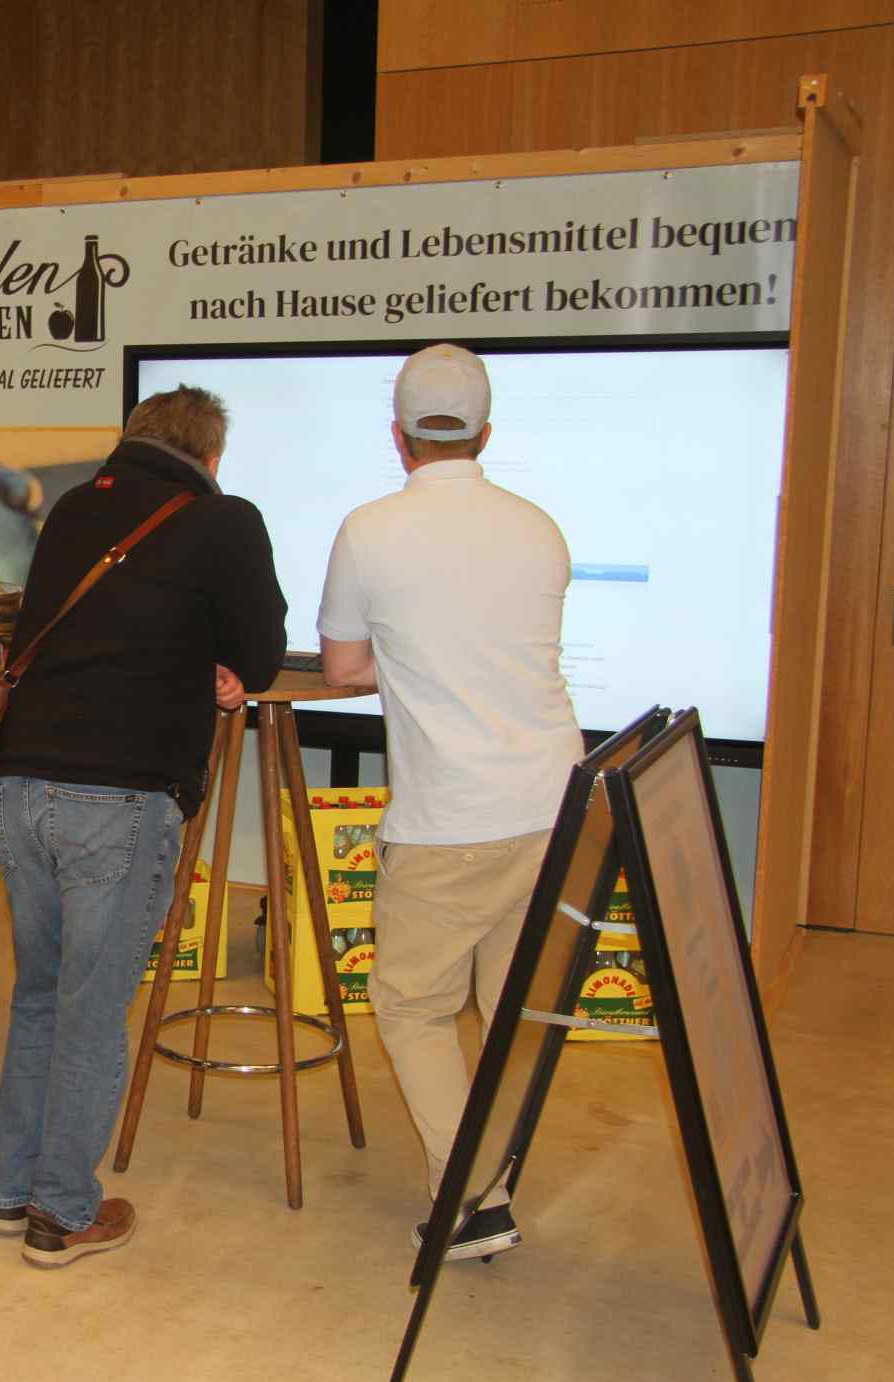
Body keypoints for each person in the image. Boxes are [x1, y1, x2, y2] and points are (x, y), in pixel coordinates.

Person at [0, 385, 287, 1267]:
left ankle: (12, 1192)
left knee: (41, 993)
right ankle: (62, 1214)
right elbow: (261, 654)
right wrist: (223, 667)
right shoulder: (226, 520)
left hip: (19, 785)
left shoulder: (75, 507)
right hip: (117, 796)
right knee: (93, 1007)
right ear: (212, 456)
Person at [317, 343, 581, 1263]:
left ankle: (472, 1195)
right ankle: (482, 1184)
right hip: (554, 803)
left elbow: (343, 668)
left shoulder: (369, 529)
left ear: (400, 439)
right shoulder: (540, 528)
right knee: (508, 1011)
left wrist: (403, 656)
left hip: (448, 818)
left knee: (414, 1006)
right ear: (486, 434)